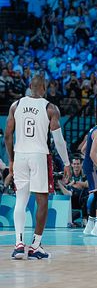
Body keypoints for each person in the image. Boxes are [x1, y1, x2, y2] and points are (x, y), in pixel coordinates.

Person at [4, 75, 71, 260]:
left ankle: (18, 245)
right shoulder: (50, 107)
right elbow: (58, 140)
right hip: (39, 155)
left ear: (29, 87)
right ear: (45, 87)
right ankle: (35, 246)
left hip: (20, 155)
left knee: (20, 199)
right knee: (42, 200)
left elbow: (7, 135)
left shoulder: (15, 106)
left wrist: (11, 160)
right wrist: (66, 163)